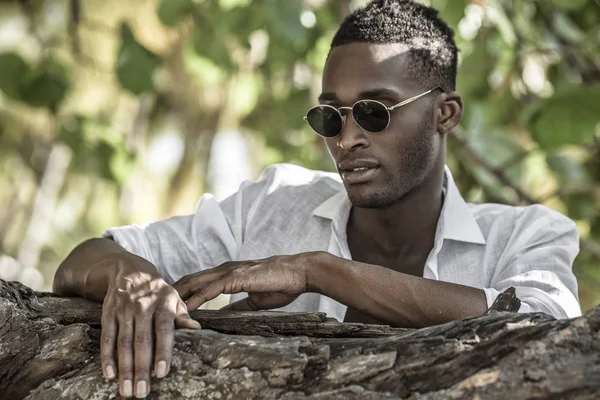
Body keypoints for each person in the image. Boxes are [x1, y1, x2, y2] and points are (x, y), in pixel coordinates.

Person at [53, 0, 582, 398]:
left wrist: (316, 271)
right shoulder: (269, 205)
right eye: (329, 116)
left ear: (445, 114)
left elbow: (545, 329)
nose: (346, 138)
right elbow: (85, 259)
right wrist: (130, 275)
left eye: (375, 111)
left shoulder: (528, 233)